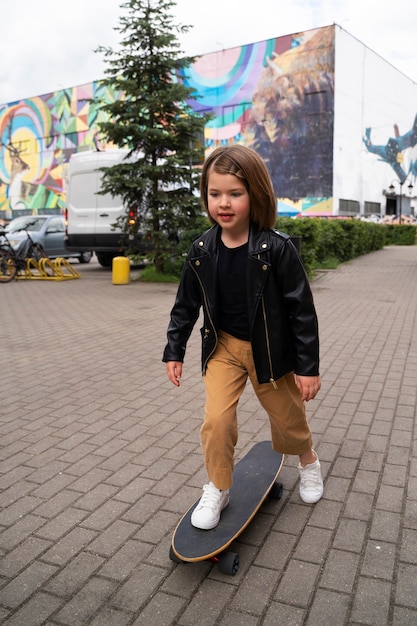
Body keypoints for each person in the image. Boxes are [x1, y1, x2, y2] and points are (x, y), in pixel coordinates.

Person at [162, 144, 323, 530]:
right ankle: (218, 487)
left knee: (288, 420)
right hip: (223, 349)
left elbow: (302, 312)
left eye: (235, 193)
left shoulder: (277, 248)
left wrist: (308, 367)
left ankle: (309, 461)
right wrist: (174, 350)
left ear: (256, 194)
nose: (224, 203)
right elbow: (185, 304)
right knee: (216, 420)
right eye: (215, 193)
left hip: (270, 352)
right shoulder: (201, 250)